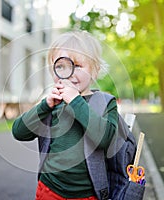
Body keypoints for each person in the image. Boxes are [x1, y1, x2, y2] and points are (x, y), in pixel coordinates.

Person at [12, 31, 118, 200]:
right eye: (60, 66)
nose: (68, 73)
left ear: (95, 71)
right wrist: (44, 106)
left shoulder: (105, 103)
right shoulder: (53, 103)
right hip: (49, 189)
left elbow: (106, 139)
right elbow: (19, 132)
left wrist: (76, 101)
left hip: (87, 194)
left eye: (76, 65)